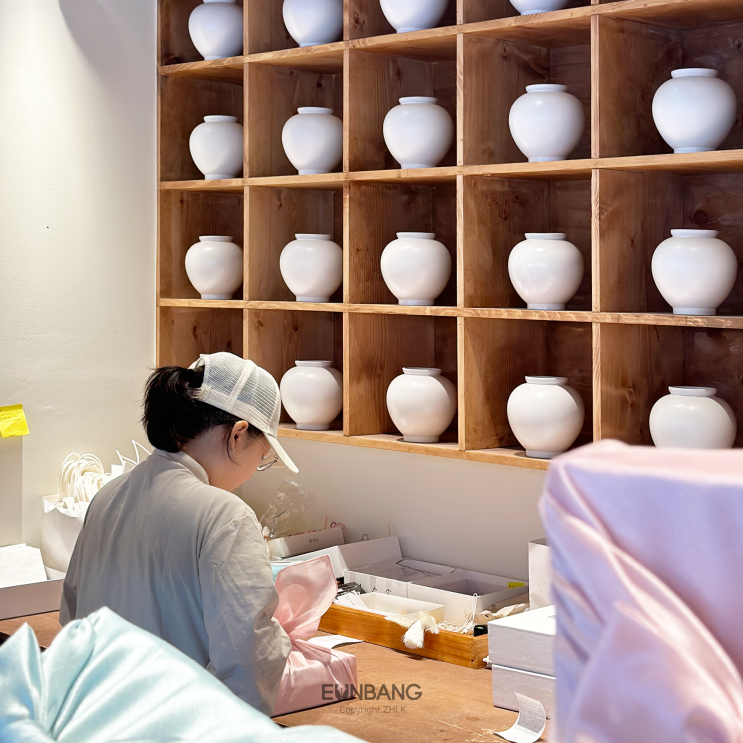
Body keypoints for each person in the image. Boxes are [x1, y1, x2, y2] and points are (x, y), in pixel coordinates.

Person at [60, 352, 297, 716]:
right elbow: (249, 663)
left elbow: (71, 618)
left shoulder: (107, 497)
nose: (254, 471)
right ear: (237, 435)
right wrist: (280, 636)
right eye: (263, 456)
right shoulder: (225, 516)